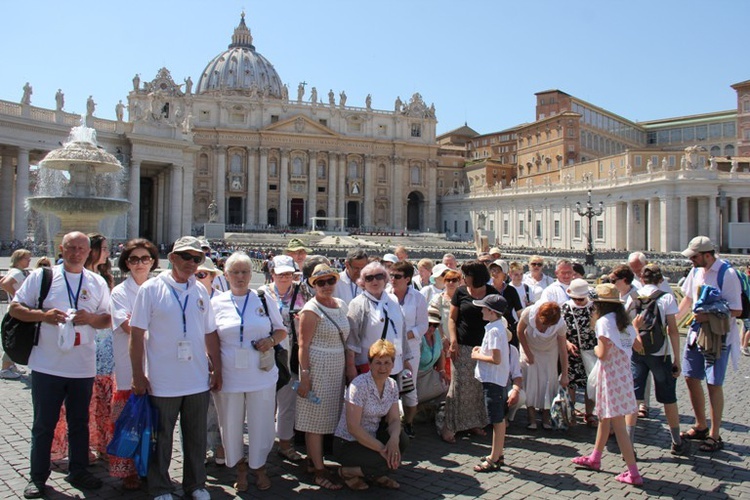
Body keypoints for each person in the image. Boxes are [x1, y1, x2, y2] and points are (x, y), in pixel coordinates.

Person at [10, 231, 111, 498]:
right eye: (71, 247)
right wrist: (43, 315)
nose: (76, 252)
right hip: (47, 365)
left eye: (81, 248)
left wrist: (90, 318)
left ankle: (78, 470)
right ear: (61, 249)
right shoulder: (42, 277)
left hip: (83, 366)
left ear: (89, 252)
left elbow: (106, 319)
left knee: (80, 422)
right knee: (44, 423)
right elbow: (15, 308)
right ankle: (37, 477)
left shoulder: (97, 282)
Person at [129, 236, 222, 500]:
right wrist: (138, 375)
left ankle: (196, 484)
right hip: (162, 378)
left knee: (196, 436)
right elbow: (136, 335)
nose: (192, 263)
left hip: (196, 377)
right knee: (162, 437)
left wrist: (217, 368)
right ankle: (160, 485)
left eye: (197, 259)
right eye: (186, 257)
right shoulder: (151, 289)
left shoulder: (200, 291)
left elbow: (210, 333)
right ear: (172, 258)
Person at [211, 252, 287, 492]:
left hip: (260, 372)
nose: (240, 277)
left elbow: (281, 330)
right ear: (226, 274)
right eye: (235, 272)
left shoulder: (264, 299)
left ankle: (259, 465)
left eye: (245, 271)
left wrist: (270, 341)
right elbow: (210, 338)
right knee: (230, 422)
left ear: (252, 273)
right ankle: (239, 466)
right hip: (229, 374)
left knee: (262, 421)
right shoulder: (216, 303)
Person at [572, 283, 642, 486]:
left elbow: (601, 353)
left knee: (618, 425)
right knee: (605, 417)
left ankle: (633, 472)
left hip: (610, 375)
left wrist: (594, 348)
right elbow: (638, 346)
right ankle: (595, 457)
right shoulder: (625, 322)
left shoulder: (603, 322)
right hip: (623, 374)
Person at [677, 236, 742, 452]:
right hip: (695, 335)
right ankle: (700, 425)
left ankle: (715, 434)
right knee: (690, 377)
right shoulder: (695, 272)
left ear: (707, 254)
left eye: (694, 257)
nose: (691, 261)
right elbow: (687, 299)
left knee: (714, 383)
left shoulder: (727, 274)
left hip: (717, 336)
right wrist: (674, 320)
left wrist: (709, 315)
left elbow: (736, 309)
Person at [625, 264, 690, 456]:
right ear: (660, 280)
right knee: (669, 398)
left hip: (637, 352)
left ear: (642, 279)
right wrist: (677, 359)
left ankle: (629, 444)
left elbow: (627, 326)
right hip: (660, 354)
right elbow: (673, 330)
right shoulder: (667, 297)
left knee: (634, 399)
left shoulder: (633, 297)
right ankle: (676, 441)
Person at [109, 238, 158, 490]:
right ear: (126, 263)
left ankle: (148, 466)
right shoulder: (119, 292)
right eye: (134, 259)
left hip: (157, 363)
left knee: (151, 421)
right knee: (129, 419)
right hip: (130, 366)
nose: (140, 264)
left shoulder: (158, 287)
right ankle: (127, 469)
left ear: (153, 261)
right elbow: (130, 327)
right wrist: (156, 326)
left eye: (145, 258)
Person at [296, 264, 350, 490]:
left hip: (337, 365)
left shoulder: (341, 305)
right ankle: (318, 470)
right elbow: (303, 345)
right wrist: (305, 375)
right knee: (315, 420)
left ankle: (314, 461)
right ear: (313, 285)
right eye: (320, 282)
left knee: (329, 415)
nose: (326, 286)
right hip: (317, 367)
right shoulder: (310, 309)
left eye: (330, 281)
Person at [334, 340, 407, 491]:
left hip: (372, 436)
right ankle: (347, 472)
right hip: (348, 442)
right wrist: (382, 449)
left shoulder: (392, 385)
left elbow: (394, 419)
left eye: (387, 363)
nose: (383, 368)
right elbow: (353, 428)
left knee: (402, 441)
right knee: (386, 461)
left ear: (393, 364)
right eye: (378, 363)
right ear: (370, 363)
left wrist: (393, 441)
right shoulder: (359, 385)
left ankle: (374, 473)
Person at [258, 255, 307, 463]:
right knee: (265, 401)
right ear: (272, 274)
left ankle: (285, 443)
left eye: (289, 273)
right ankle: (263, 444)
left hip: (293, 351)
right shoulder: (260, 294)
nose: (285, 277)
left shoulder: (303, 291)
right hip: (270, 350)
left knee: (288, 400)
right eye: (281, 274)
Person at [442, 261, 498, 443]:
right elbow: (452, 318)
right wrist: (453, 341)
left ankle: (474, 422)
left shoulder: (492, 294)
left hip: (484, 347)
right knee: (458, 387)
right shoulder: (460, 292)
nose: (463, 278)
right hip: (463, 345)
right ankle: (450, 425)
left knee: (477, 386)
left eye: (466, 275)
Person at [470, 294, 510, 472]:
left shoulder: (494, 329)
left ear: (492, 312)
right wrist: (482, 349)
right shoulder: (497, 326)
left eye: (484, 308)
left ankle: (495, 457)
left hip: (493, 380)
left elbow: (495, 358)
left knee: (497, 419)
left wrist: (477, 355)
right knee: (497, 418)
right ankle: (497, 453)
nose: (481, 310)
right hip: (496, 379)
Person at [388, 261, 428, 438]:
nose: (392, 279)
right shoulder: (384, 295)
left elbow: (423, 325)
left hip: (411, 350)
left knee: (409, 388)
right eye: (391, 275)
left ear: (407, 279)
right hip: (388, 348)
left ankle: (409, 423)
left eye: (397, 276)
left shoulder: (418, 298)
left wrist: (406, 335)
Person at [517, 301, 568, 429]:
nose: (547, 326)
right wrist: (528, 353)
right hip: (529, 347)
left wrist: (565, 374)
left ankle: (546, 417)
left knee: (549, 381)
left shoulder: (561, 324)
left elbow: (563, 349)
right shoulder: (528, 313)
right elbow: (519, 332)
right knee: (530, 380)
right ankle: (531, 417)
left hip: (549, 351)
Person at [561, 278, 596, 426]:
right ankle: (571, 412)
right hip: (572, 351)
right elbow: (561, 330)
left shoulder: (593, 307)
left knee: (591, 383)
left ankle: (589, 413)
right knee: (571, 384)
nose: (579, 302)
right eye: (576, 299)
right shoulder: (566, 307)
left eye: (581, 299)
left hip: (591, 350)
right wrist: (567, 343)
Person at [1, 248, 32, 379]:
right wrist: (17, 297)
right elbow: (5, 284)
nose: (29, 260)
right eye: (27, 258)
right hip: (17, 309)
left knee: (15, 337)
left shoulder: (17, 271)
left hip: (16, 308)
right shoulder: (18, 272)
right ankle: (5, 368)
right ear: (19, 259)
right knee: (15, 338)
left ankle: (10, 365)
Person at [488, 259, 523, 346]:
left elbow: (519, 312)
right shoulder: (487, 290)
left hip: (508, 329)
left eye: (498, 270)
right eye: (493, 270)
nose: (494, 273)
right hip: (491, 328)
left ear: (504, 275)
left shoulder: (511, 290)